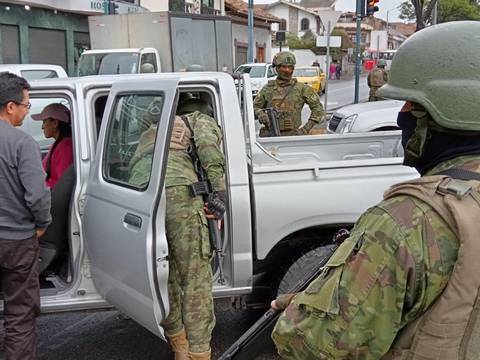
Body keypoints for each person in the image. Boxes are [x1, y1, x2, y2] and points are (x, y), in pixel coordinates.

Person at [271, 21, 480, 359]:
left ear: (443, 111)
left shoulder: (409, 221)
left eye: (410, 106)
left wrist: (307, 309)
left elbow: (314, 348)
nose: (401, 118)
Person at [129, 95, 225, 360]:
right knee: (195, 279)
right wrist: (220, 195)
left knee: (165, 274)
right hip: (178, 194)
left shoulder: (153, 129)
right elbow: (209, 150)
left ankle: (179, 346)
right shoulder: (198, 120)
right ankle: (198, 354)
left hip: (139, 194)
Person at [0, 72, 51, 359]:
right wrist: (42, 224)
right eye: (26, 105)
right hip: (18, 241)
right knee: (19, 315)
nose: (26, 111)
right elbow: (38, 196)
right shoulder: (22, 144)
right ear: (10, 106)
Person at [253, 51, 324, 137]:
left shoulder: (302, 89)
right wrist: (260, 113)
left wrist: (306, 129)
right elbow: (254, 108)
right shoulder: (267, 89)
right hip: (270, 136)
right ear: (277, 68)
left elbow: (318, 109)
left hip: (293, 137)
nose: (287, 70)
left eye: (290, 67)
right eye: (284, 67)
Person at [32, 103, 73, 189]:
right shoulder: (59, 144)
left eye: (44, 122)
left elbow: (63, 184)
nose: (42, 127)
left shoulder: (65, 148)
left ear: (55, 123)